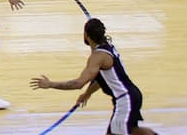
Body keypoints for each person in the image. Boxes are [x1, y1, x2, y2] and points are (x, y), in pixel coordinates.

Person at [31, 18, 160, 135]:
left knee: (119, 132)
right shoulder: (107, 48)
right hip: (132, 95)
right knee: (132, 130)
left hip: (125, 100)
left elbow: (78, 83)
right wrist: (88, 93)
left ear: (86, 35)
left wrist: (51, 84)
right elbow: (103, 78)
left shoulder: (97, 57)